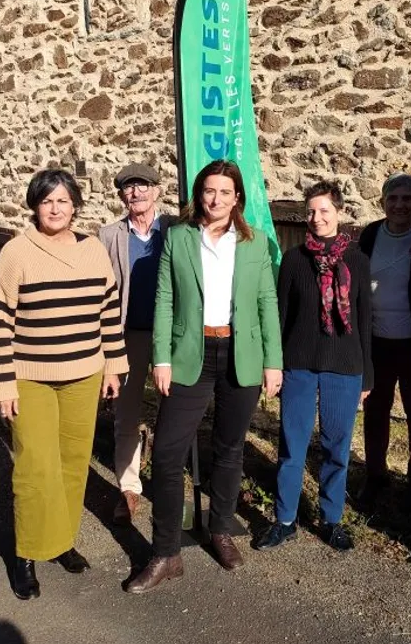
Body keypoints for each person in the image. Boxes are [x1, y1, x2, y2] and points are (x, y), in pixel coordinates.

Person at [126, 160, 283, 594]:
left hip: (241, 355)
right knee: (169, 452)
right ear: (200, 194)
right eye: (209, 191)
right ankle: (165, 553)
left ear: (237, 199)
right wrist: (161, 358)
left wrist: (274, 361)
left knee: (230, 449)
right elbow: (164, 299)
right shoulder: (179, 237)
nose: (216, 199)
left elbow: (267, 302)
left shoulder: (255, 244)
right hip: (189, 356)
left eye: (225, 192)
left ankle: (220, 530)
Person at [0, 169, 129, 600]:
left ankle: (61, 541)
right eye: (47, 201)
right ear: (34, 205)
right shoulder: (15, 253)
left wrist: (113, 367)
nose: (55, 208)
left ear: (75, 206)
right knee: (34, 468)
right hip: (30, 378)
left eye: (63, 201)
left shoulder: (93, 251)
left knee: (71, 463)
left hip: (84, 373)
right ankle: (26, 553)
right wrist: (2, 384)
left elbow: (108, 313)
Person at [253, 180, 373, 553]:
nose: (316, 218)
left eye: (324, 211)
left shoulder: (357, 260)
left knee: (336, 447)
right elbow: (280, 317)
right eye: (311, 211)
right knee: (293, 446)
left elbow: (366, 322)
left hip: (344, 367)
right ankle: (285, 519)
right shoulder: (293, 260)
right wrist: (272, 364)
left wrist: (367, 374)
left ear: (338, 213)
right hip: (299, 366)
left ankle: (331, 519)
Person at [98, 163, 177, 525]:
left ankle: (167, 478)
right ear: (121, 195)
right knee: (126, 413)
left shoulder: (175, 229)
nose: (137, 193)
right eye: (129, 187)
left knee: (174, 410)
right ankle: (129, 487)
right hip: (126, 333)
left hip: (171, 335)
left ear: (157, 190)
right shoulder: (109, 234)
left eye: (143, 185)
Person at [357, 173, 411, 508]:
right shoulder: (372, 234)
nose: (399, 205)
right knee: (376, 409)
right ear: (383, 202)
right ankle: (375, 474)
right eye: (393, 198)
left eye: (407, 199)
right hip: (377, 340)